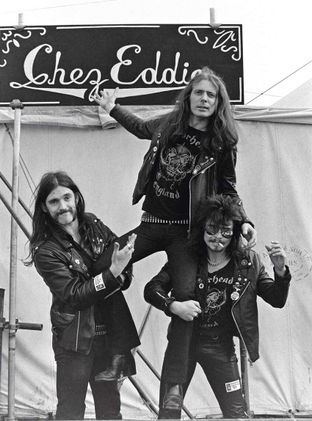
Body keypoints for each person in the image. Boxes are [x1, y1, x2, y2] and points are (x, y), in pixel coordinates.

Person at [93, 66, 257, 389]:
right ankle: (121, 355)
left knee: (186, 299)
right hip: (152, 224)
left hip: (186, 233)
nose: (204, 99)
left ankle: (173, 388)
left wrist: (245, 220)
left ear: (218, 102)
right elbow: (140, 127)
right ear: (189, 95)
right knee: (102, 268)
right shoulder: (169, 123)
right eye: (199, 92)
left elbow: (228, 187)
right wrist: (111, 108)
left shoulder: (221, 142)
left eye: (211, 95)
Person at [144, 194, 291, 419]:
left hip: (220, 347)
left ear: (234, 232)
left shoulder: (248, 262)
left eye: (225, 231)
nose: (218, 238)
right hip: (183, 344)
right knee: (169, 412)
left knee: (236, 413)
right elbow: (152, 289)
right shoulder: (186, 259)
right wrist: (174, 306)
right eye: (211, 230)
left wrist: (280, 272)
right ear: (202, 229)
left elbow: (277, 299)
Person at [25, 171, 140, 420]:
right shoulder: (45, 250)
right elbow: (75, 295)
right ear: (44, 208)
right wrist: (113, 274)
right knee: (70, 412)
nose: (63, 206)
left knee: (110, 411)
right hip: (74, 341)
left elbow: (123, 259)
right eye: (54, 201)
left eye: (67, 197)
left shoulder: (94, 225)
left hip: (110, 335)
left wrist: (121, 273)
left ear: (76, 197)